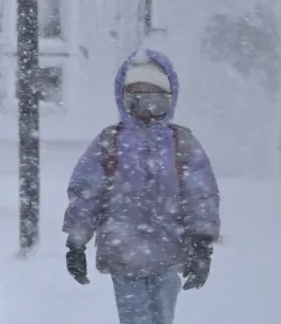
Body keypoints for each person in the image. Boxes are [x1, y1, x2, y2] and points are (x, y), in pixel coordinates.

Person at [62, 48, 221, 324]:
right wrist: (76, 243)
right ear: (124, 101)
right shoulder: (110, 142)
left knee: (162, 317)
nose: (147, 110)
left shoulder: (181, 143)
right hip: (123, 253)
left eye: (155, 100)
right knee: (134, 318)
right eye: (137, 100)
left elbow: (201, 196)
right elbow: (86, 194)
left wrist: (202, 246)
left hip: (169, 252)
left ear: (169, 101)